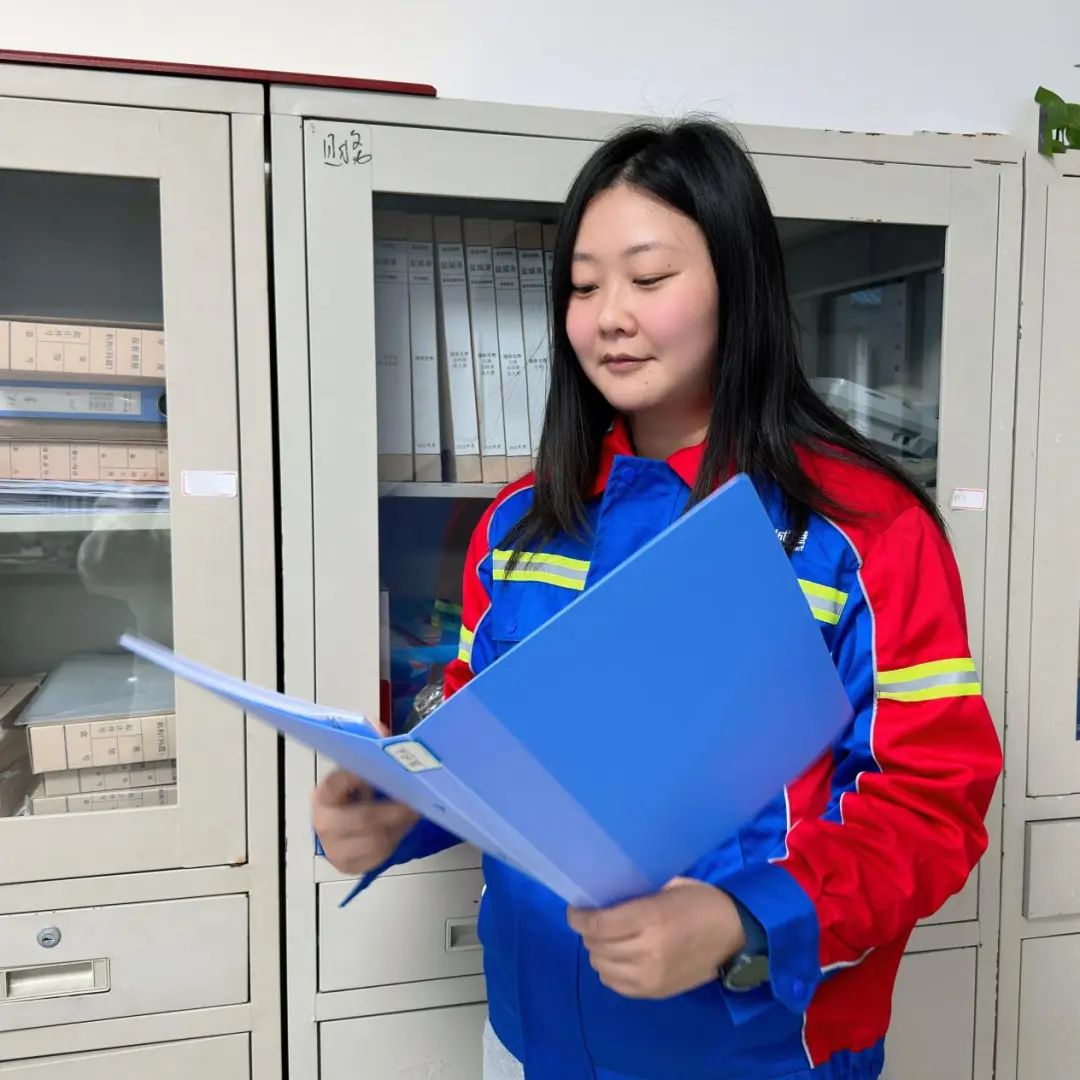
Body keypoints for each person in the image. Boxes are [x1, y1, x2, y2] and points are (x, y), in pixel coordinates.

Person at [311, 117, 1003, 1080]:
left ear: (737, 284)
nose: (609, 317)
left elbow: (928, 805)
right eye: (583, 286)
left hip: (757, 1053)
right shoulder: (520, 524)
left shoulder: (861, 531)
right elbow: (486, 737)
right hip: (534, 1038)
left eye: (647, 278)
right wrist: (404, 806)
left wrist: (742, 918)